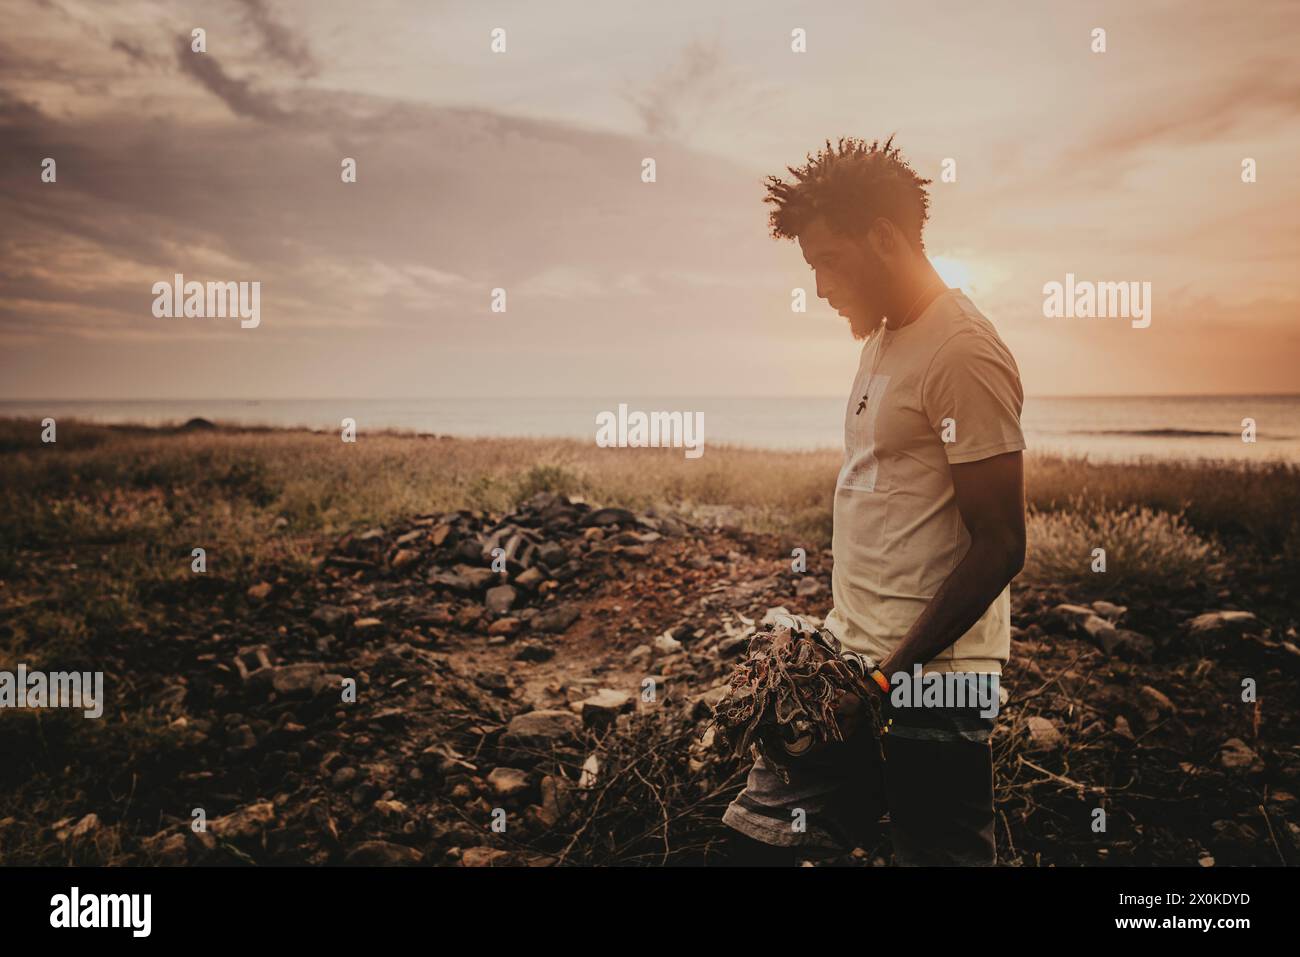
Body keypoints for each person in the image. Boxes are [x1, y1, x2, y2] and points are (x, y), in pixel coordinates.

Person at [723, 136, 1027, 866]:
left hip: (937, 689)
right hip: (846, 668)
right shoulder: (885, 340)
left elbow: (1002, 544)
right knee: (753, 842)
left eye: (830, 261)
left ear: (885, 238)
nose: (821, 287)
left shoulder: (964, 351)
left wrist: (891, 674)